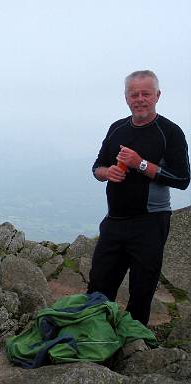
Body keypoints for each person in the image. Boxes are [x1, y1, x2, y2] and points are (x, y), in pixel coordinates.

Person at [87, 70, 190, 325]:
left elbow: (182, 179)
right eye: (134, 94)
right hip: (115, 220)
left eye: (146, 93)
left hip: (151, 222)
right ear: (126, 98)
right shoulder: (117, 128)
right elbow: (96, 168)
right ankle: (93, 336)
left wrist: (141, 164)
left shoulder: (170, 132)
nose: (140, 99)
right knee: (99, 285)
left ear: (157, 95)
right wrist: (107, 172)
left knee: (142, 290)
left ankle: (134, 348)